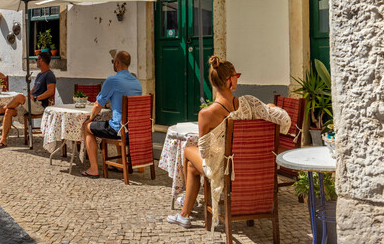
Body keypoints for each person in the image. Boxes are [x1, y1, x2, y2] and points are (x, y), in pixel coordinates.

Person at [166, 56, 290, 229]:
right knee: (192, 166)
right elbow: (285, 120)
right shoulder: (249, 104)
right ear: (230, 79)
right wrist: (272, 107)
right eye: (236, 75)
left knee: (189, 153)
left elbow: (205, 152)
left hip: (225, 170)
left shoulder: (206, 114)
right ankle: (184, 213)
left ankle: (185, 213)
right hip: (250, 166)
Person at [81, 51, 142, 178]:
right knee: (117, 120)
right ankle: (120, 162)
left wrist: (90, 119)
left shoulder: (112, 80)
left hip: (119, 129)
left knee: (87, 128)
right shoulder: (137, 82)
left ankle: (93, 168)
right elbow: (124, 102)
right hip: (134, 129)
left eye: (113, 61)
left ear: (117, 63)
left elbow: (98, 104)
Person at [0, 51, 56, 149]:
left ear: (41, 60)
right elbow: (33, 90)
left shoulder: (49, 75)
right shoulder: (39, 75)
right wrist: (29, 96)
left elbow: (51, 91)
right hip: (32, 104)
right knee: (9, 111)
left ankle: (2, 109)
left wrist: (35, 98)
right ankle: (3, 140)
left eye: (36, 60)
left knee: (19, 97)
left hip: (40, 106)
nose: (36, 62)